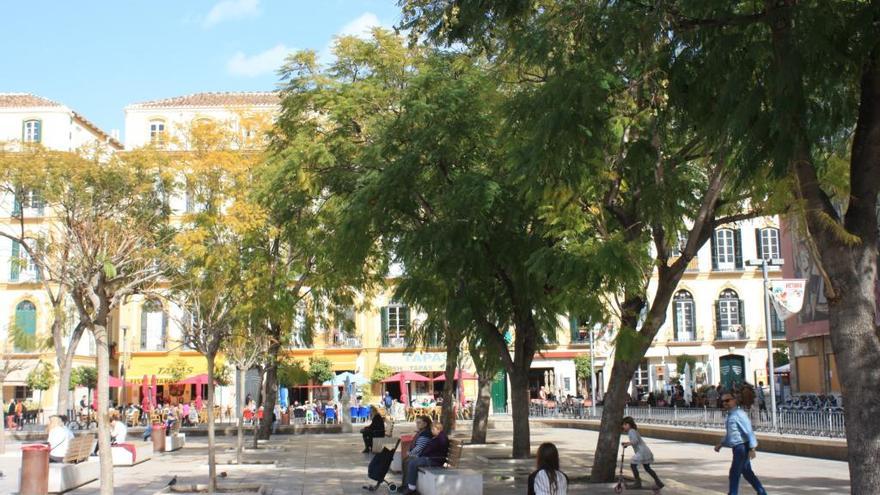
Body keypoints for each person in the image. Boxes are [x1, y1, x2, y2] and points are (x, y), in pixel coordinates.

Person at [715, 393, 767, 495]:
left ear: (734, 400)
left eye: (727, 400)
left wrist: (752, 448)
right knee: (747, 472)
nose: (725, 403)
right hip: (737, 447)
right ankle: (762, 492)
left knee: (734, 473)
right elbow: (731, 433)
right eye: (723, 401)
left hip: (742, 447)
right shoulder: (731, 415)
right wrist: (721, 444)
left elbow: (748, 431)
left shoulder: (739, 414)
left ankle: (733, 493)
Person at [400, 422, 448, 495]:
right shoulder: (437, 437)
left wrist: (426, 451)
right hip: (431, 458)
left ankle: (411, 488)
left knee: (413, 463)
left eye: (433, 429)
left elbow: (434, 447)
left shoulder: (441, 437)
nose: (432, 431)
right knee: (410, 461)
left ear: (439, 429)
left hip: (435, 460)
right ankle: (407, 485)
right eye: (431, 429)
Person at [621, 417, 664, 490]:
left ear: (628, 424)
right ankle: (658, 482)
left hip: (642, 452)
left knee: (633, 465)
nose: (623, 427)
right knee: (647, 468)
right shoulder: (633, 430)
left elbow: (635, 441)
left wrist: (627, 444)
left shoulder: (631, 431)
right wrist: (627, 443)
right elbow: (635, 441)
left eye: (624, 425)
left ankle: (637, 483)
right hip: (644, 450)